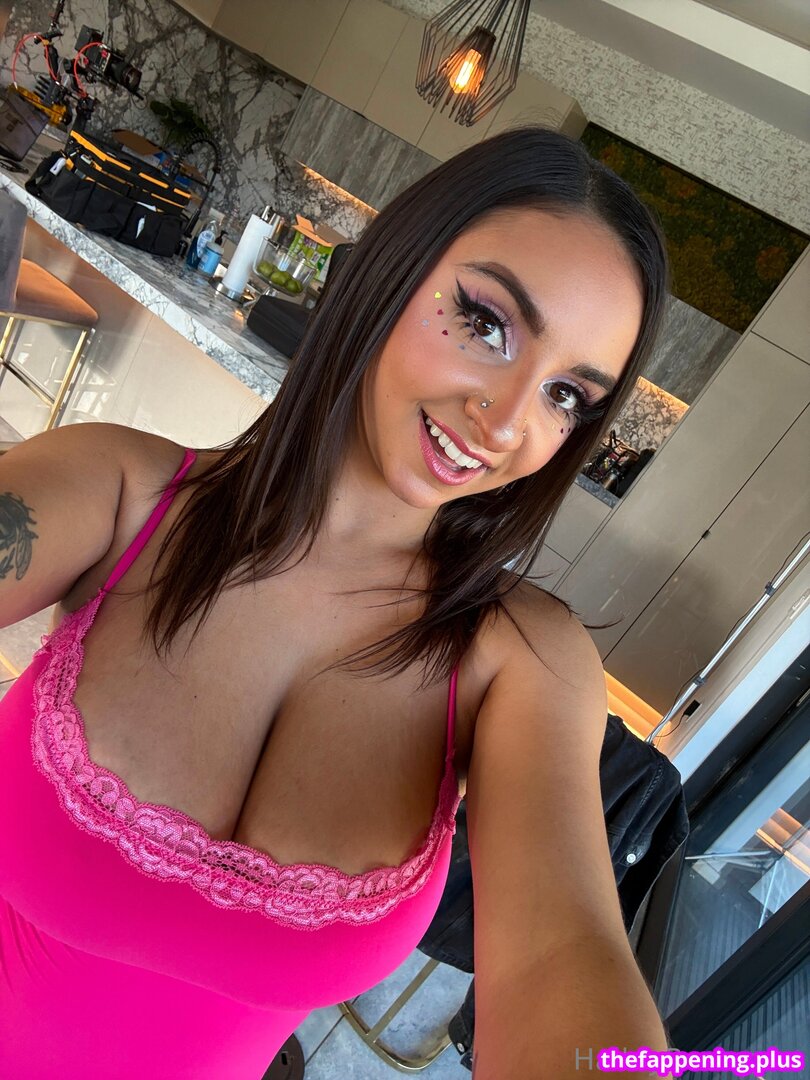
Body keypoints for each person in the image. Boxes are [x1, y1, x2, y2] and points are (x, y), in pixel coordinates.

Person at [0, 125, 672, 1078]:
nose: (510, 422)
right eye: (487, 324)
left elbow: (563, 953)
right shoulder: (115, 490)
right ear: (391, 270)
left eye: (567, 395)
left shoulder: (523, 662)